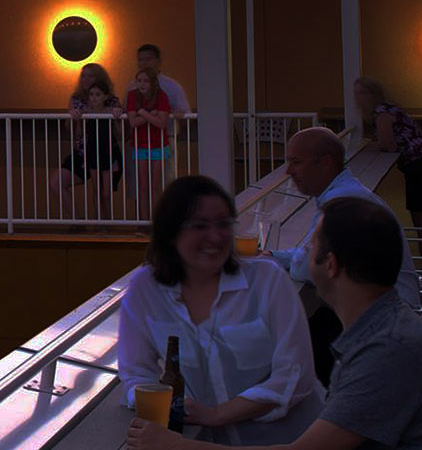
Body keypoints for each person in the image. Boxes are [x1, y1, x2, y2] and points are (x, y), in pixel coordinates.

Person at [127, 197, 422, 450]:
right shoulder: (381, 327)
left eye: (309, 245)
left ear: (330, 265)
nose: (301, 255)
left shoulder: (387, 347)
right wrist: (215, 415)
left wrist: (177, 446)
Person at [117, 175, 322, 445]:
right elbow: (136, 373)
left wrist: (218, 414)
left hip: (293, 440)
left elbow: (295, 375)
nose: (215, 236)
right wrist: (159, 406)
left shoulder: (266, 280)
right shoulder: (145, 290)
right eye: (200, 226)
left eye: (224, 224)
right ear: (171, 231)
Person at [268, 127, 420, 386]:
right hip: (386, 311)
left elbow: (305, 267)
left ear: (325, 163)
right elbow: (308, 256)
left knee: (289, 350)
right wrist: (273, 255)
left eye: (296, 162)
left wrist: (287, 260)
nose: (288, 172)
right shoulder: (346, 193)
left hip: (386, 324)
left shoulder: (343, 203)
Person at [354, 77, 422, 252]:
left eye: (362, 93)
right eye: (356, 93)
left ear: (373, 94)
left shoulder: (382, 113)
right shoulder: (390, 109)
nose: (358, 97)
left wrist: (375, 145)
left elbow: (388, 144)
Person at [52, 63, 125, 220]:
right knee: (57, 182)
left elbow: (120, 131)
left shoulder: (111, 101)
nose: (85, 79)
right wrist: (74, 117)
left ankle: (105, 226)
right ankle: (78, 223)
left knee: (104, 193)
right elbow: (70, 129)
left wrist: (118, 117)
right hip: (84, 152)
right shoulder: (76, 99)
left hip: (107, 150)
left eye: (90, 75)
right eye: (83, 75)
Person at [126, 69, 174, 215]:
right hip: (140, 144)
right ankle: (143, 222)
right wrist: (151, 115)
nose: (142, 84)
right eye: (139, 80)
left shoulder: (161, 96)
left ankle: (156, 220)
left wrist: (143, 112)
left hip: (158, 144)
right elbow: (132, 122)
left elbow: (161, 123)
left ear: (153, 83)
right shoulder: (132, 95)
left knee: (155, 185)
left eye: (146, 81)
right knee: (143, 186)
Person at [138, 43, 190, 115]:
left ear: (159, 61)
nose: (144, 63)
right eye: (140, 60)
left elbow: (186, 116)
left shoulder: (172, 86)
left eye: (148, 59)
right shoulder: (132, 86)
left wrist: (179, 115)